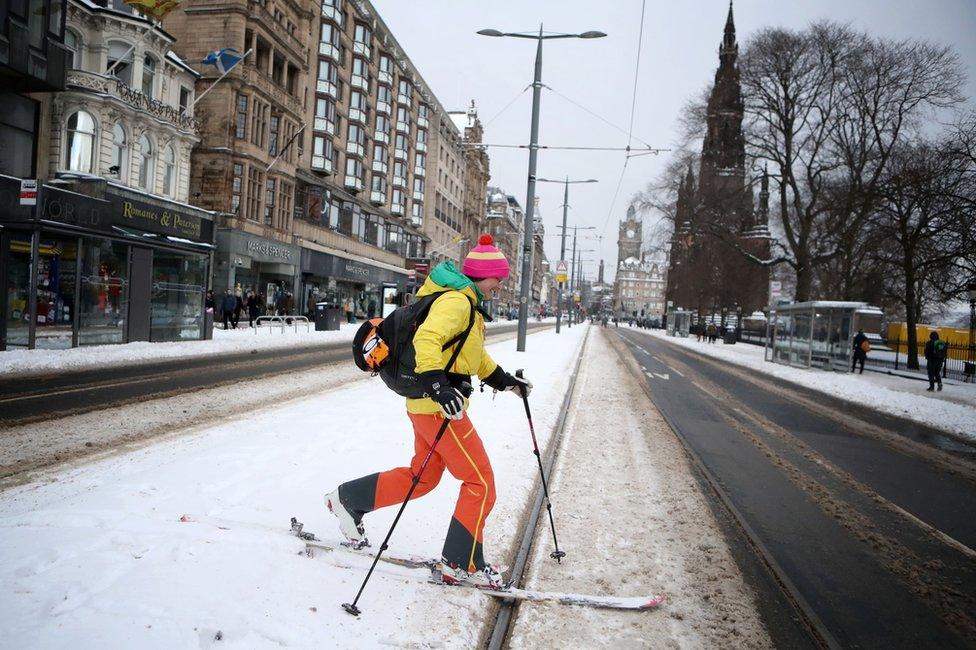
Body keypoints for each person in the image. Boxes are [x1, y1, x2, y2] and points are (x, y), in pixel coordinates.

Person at [324, 234, 531, 589]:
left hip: (425, 406)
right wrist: (439, 385)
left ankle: (349, 500)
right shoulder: (457, 302)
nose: (502, 284)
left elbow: (473, 357)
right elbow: (427, 341)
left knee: (422, 477)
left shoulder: (465, 301)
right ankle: (460, 563)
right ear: (486, 275)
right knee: (480, 483)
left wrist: (506, 382)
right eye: (500, 277)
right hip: (438, 408)